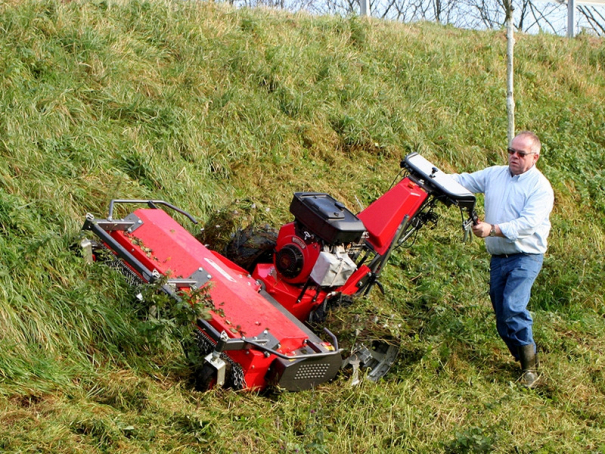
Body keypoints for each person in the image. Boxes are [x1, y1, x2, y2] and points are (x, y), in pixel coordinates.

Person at [451, 131, 554, 388]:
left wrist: (492, 229)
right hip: (499, 257)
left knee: (513, 306)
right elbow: (463, 181)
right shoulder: (494, 174)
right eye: (511, 151)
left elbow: (527, 224)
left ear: (535, 157)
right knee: (502, 315)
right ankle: (523, 356)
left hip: (526, 256)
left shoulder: (540, 188)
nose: (514, 157)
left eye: (521, 154)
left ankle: (531, 371)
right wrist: (430, 177)